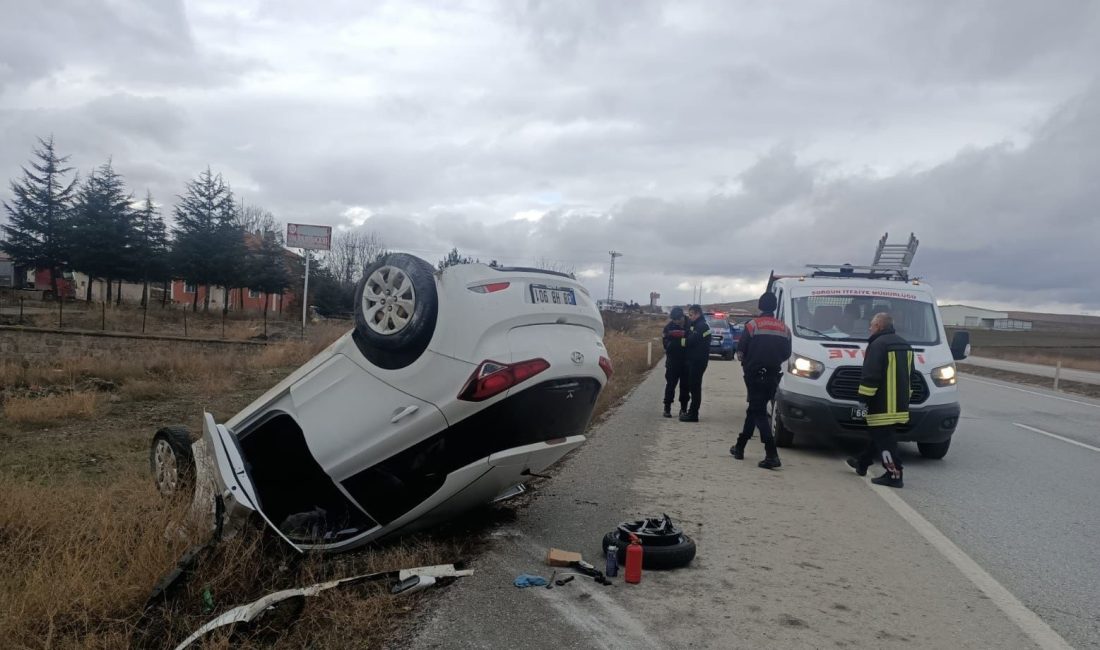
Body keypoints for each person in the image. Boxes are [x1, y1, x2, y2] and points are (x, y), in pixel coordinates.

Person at [847, 312, 912, 488]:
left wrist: (863, 399)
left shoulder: (877, 345)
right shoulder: (905, 344)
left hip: (881, 404)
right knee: (880, 435)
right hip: (899, 403)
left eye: (872, 325)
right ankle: (862, 462)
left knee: (885, 440)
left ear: (879, 326)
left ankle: (894, 474)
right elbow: (910, 375)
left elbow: (870, 375)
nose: (869, 328)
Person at [731, 292, 791, 469]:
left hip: (754, 374)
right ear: (774, 306)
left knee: (758, 412)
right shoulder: (784, 328)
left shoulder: (752, 325)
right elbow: (787, 353)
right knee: (755, 408)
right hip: (773, 375)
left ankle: (772, 454)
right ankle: (739, 447)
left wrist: (747, 363)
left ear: (760, 305)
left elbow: (740, 350)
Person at [679, 304, 711, 422]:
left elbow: (691, 341)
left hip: (698, 361)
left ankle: (693, 414)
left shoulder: (701, 326)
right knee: (693, 387)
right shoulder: (697, 325)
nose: (690, 317)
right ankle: (692, 412)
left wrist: (679, 341)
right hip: (695, 360)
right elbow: (690, 335)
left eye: (691, 315)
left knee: (695, 388)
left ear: (697, 314)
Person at [661, 307, 690, 418]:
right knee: (670, 385)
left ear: (682, 317)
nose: (675, 322)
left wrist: (679, 341)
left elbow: (693, 340)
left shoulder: (690, 325)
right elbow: (665, 343)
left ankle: (683, 409)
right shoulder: (668, 327)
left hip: (687, 361)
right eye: (673, 320)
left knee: (685, 387)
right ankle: (667, 408)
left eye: (677, 320)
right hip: (672, 361)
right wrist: (673, 344)